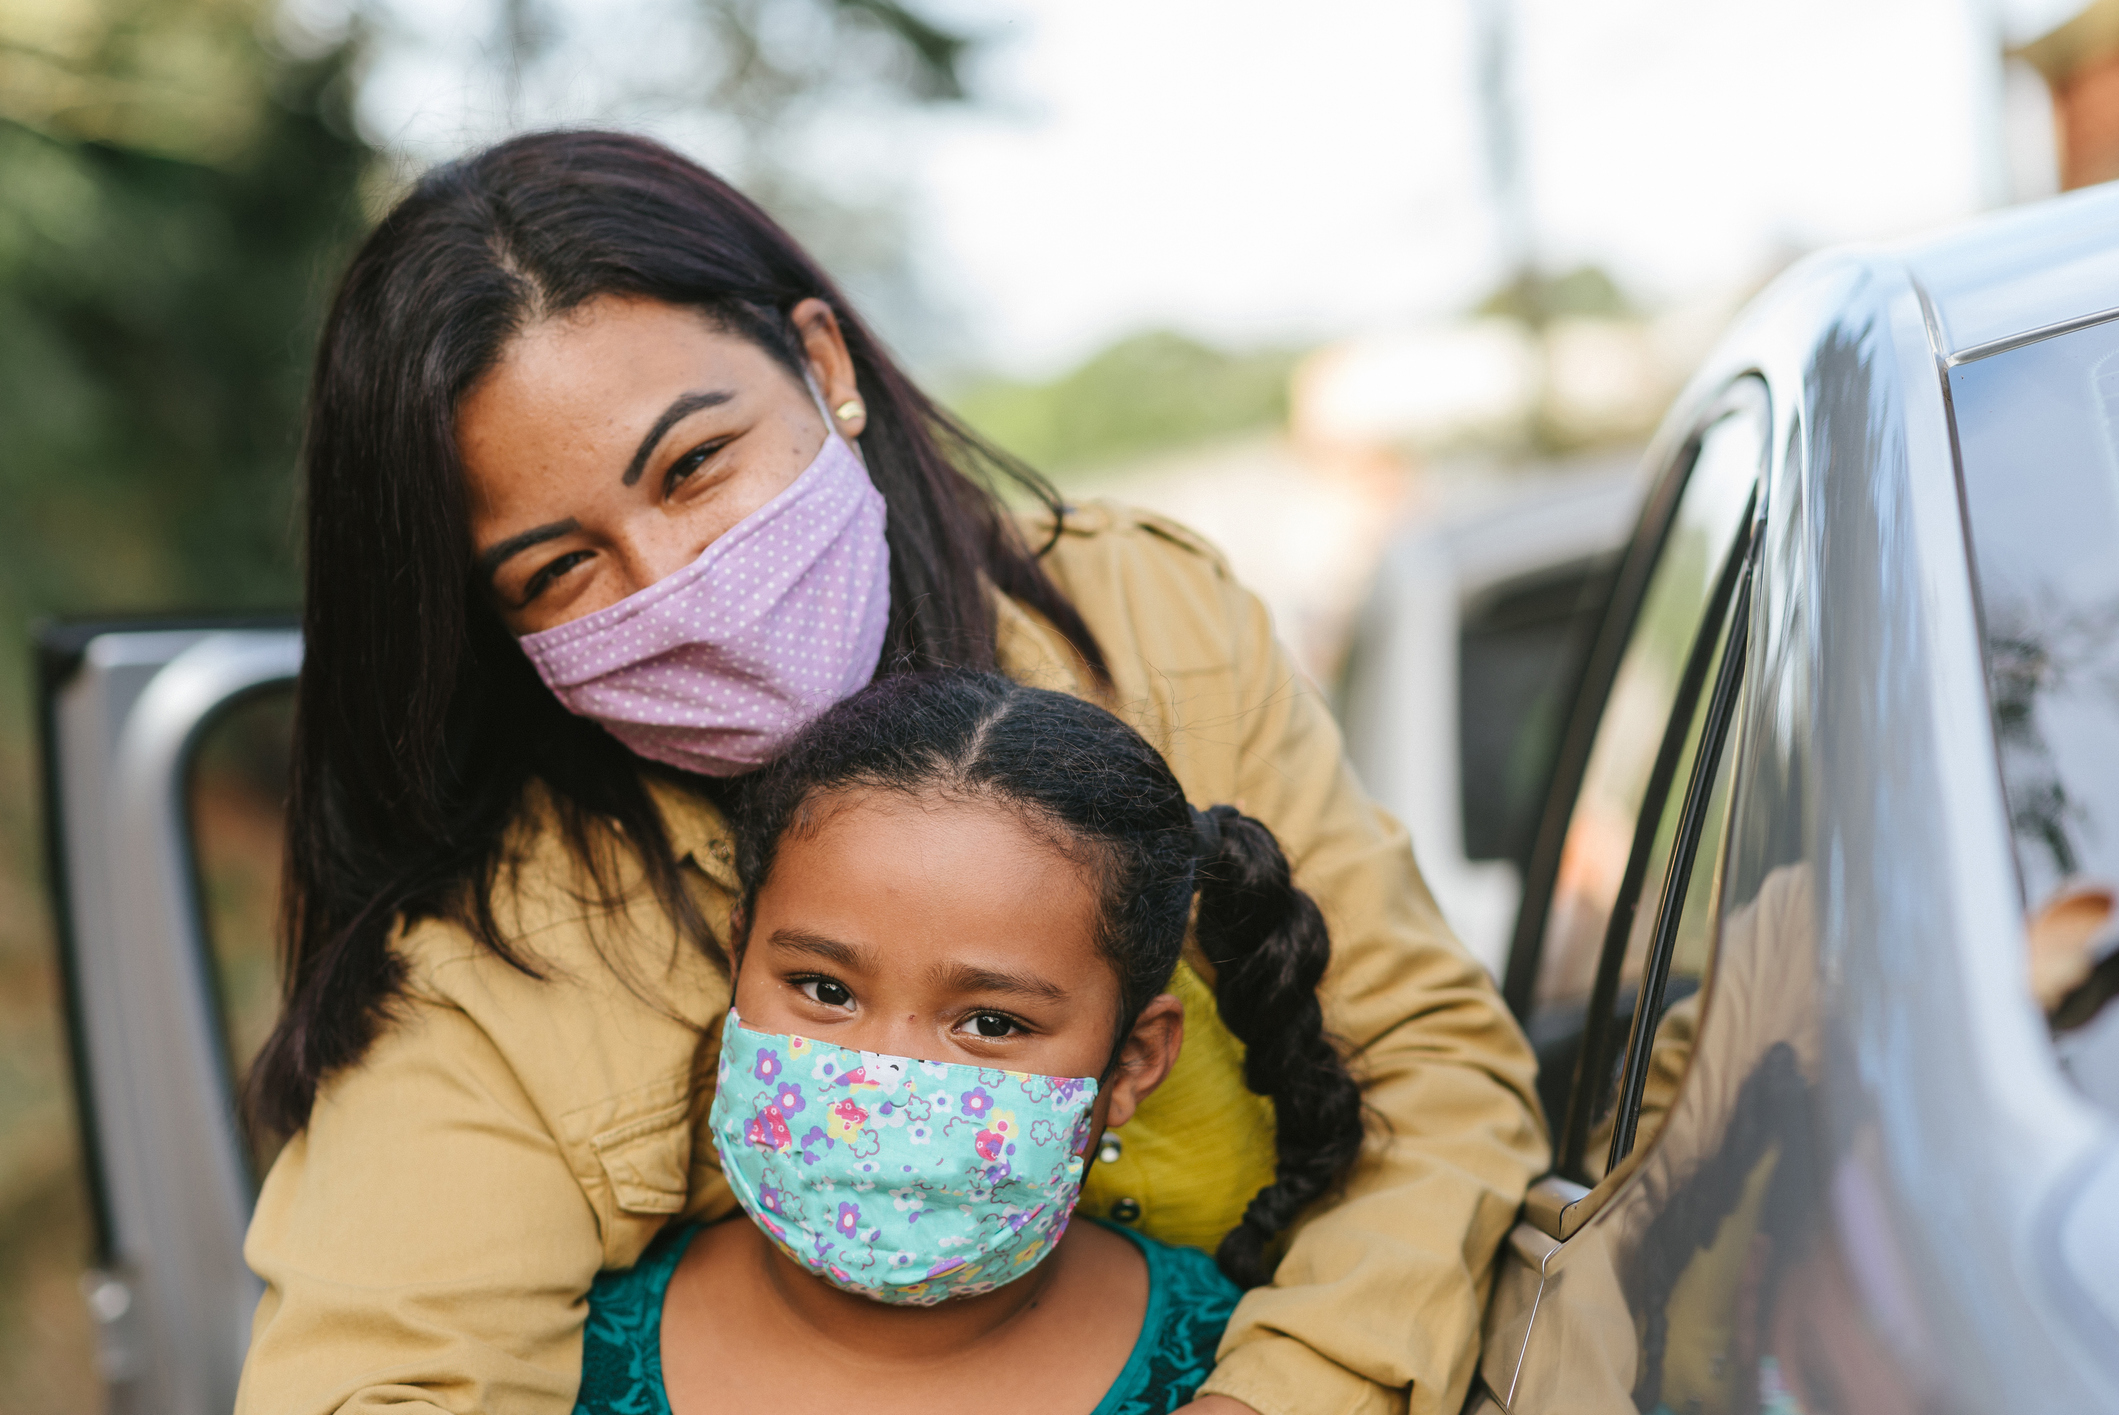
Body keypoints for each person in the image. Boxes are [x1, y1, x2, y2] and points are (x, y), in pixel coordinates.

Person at [234, 129, 1547, 1415]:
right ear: (494, 630)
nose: (673, 586)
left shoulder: (1151, 624)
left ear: (821, 363)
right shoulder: (496, 958)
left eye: (693, 465)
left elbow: (1428, 1075)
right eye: (557, 569)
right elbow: (383, 1370)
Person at [578, 668, 1366, 1414]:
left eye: (991, 1022)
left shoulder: (1236, 1365)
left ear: (1132, 1061)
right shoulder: (563, 1352)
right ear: (737, 958)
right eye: (826, 989)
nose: (883, 1077)